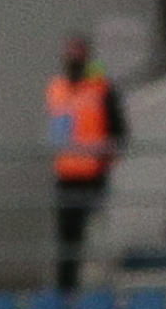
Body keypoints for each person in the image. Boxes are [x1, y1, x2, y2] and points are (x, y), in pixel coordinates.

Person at [47, 35, 125, 294]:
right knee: (67, 238)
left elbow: (118, 131)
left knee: (94, 235)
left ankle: (98, 289)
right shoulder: (57, 88)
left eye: (77, 52)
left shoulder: (101, 89)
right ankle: (66, 290)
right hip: (65, 174)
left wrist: (105, 161)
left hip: (93, 174)